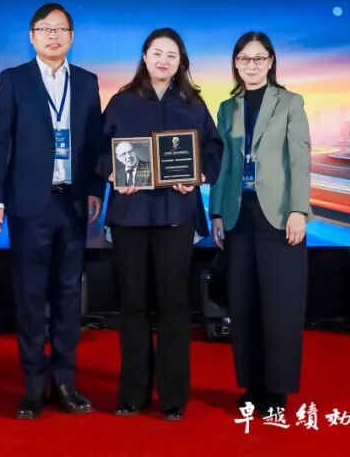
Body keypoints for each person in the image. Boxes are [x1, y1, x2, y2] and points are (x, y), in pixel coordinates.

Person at [0, 3, 105, 420]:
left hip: (73, 203)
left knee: (69, 294)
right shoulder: (14, 79)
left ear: (72, 36)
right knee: (31, 294)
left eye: (61, 29)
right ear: (31, 36)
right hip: (29, 204)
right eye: (45, 29)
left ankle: (65, 381)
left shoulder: (87, 82)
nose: (53, 35)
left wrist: (95, 189)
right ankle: (34, 385)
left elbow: (94, 142)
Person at [98, 28, 223, 421]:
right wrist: (112, 173)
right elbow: (97, 150)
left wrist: (199, 175)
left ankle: (173, 396)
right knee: (132, 304)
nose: (163, 61)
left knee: (174, 304)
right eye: (157, 53)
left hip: (175, 214)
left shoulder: (194, 104)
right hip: (130, 215)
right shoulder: (122, 101)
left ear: (181, 61)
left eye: (171, 55)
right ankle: (132, 393)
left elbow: (214, 150)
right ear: (144, 57)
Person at [209, 32, 311, 417]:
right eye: (244, 59)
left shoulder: (290, 102)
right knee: (244, 302)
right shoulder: (227, 107)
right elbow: (222, 165)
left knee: (281, 304)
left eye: (258, 58)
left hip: (280, 216)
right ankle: (252, 385)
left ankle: (277, 390)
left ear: (270, 62)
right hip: (238, 215)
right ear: (235, 64)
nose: (251, 65)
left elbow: (299, 158)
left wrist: (299, 210)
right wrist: (216, 212)